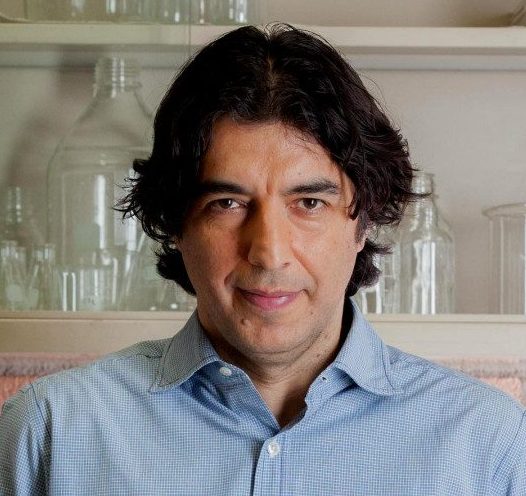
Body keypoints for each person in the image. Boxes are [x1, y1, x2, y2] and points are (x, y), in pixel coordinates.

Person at [1, 24, 525, 496]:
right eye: (227, 203)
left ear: (363, 222)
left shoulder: (491, 445)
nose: (269, 252)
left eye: (309, 203)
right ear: (176, 224)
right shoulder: (46, 433)